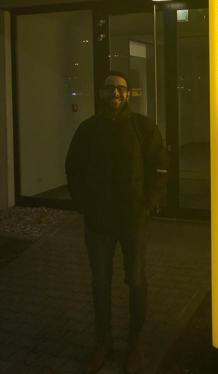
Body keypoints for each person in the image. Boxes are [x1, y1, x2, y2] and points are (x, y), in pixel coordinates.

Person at [65, 71, 167, 374]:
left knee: (136, 281)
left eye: (121, 89)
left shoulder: (143, 127)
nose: (116, 93)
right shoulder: (88, 129)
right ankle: (103, 343)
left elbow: (160, 167)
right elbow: (73, 168)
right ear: (101, 93)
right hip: (98, 222)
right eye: (110, 88)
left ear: (128, 94)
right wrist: (83, 204)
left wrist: (148, 203)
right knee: (100, 283)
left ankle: (135, 345)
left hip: (133, 221)